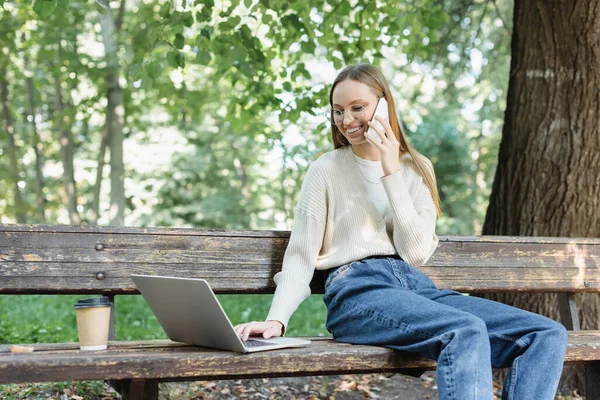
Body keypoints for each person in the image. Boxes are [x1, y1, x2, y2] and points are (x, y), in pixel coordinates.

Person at [234, 63, 568, 400]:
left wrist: (390, 169)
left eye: (357, 108)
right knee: (464, 330)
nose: (346, 120)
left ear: (383, 106)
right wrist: (276, 320)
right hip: (356, 291)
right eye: (337, 111)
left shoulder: (416, 168)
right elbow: (301, 255)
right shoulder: (325, 169)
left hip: (416, 288)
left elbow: (416, 251)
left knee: (547, 335)